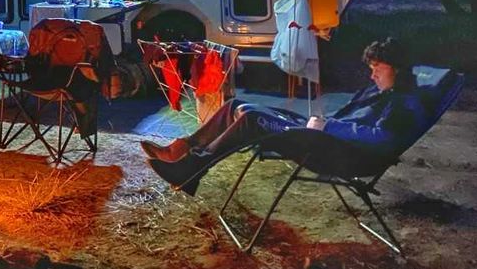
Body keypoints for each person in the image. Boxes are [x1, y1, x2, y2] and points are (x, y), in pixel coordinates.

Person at [141, 38, 427, 195]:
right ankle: (184, 150)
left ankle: (191, 169)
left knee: (251, 119)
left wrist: (329, 127)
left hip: (339, 152)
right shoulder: (383, 91)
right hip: (324, 137)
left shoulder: (403, 102)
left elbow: (383, 138)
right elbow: (353, 118)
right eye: (372, 68)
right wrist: (322, 123)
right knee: (236, 105)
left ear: (398, 68)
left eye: (378, 68)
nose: (372, 74)